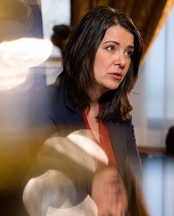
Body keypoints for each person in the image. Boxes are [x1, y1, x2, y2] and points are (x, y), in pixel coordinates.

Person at [25, 5, 149, 216]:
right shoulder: (45, 104)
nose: (122, 61)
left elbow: (133, 189)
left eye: (128, 52)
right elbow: (35, 198)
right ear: (85, 50)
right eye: (111, 48)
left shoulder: (121, 116)